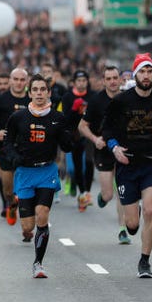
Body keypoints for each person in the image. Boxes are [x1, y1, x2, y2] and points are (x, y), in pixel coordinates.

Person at [102, 53, 152, 279]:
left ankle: (144, 261)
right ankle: (134, 217)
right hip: (127, 164)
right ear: (135, 74)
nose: (146, 76)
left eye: (150, 71)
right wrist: (115, 148)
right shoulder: (121, 102)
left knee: (151, 211)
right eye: (142, 72)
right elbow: (107, 130)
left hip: (151, 163)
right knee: (132, 224)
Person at [2, 74, 74, 278]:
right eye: (35, 90)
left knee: (43, 214)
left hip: (47, 171)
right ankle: (15, 203)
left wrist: (69, 134)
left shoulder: (57, 118)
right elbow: (7, 143)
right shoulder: (18, 118)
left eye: (43, 89)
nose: (39, 93)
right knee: (28, 227)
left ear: (49, 93)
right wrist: (14, 157)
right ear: (29, 93)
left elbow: (67, 145)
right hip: (25, 172)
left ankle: (38, 263)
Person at [79, 65, 131, 244]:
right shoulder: (96, 101)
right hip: (103, 150)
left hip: (123, 149)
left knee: (122, 191)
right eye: (108, 78)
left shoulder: (127, 98)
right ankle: (103, 197)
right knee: (109, 194)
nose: (112, 81)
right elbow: (82, 126)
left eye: (115, 77)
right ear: (103, 81)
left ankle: (122, 229)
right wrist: (95, 140)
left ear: (120, 79)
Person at [0, 68, 29, 225]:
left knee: (26, 188)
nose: (19, 83)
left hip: (27, 149)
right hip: (5, 148)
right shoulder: (1, 99)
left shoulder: (32, 99)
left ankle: (27, 222)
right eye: (16, 79)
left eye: (22, 80)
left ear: (27, 82)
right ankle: (11, 204)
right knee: (8, 189)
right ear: (10, 81)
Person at [61, 70, 93, 211]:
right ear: (74, 82)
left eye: (84, 81)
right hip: (73, 135)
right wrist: (74, 109)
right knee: (75, 168)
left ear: (87, 82)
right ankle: (80, 189)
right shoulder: (67, 97)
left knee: (88, 162)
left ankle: (85, 193)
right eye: (78, 81)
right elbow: (66, 120)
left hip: (89, 133)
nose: (81, 83)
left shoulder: (93, 96)